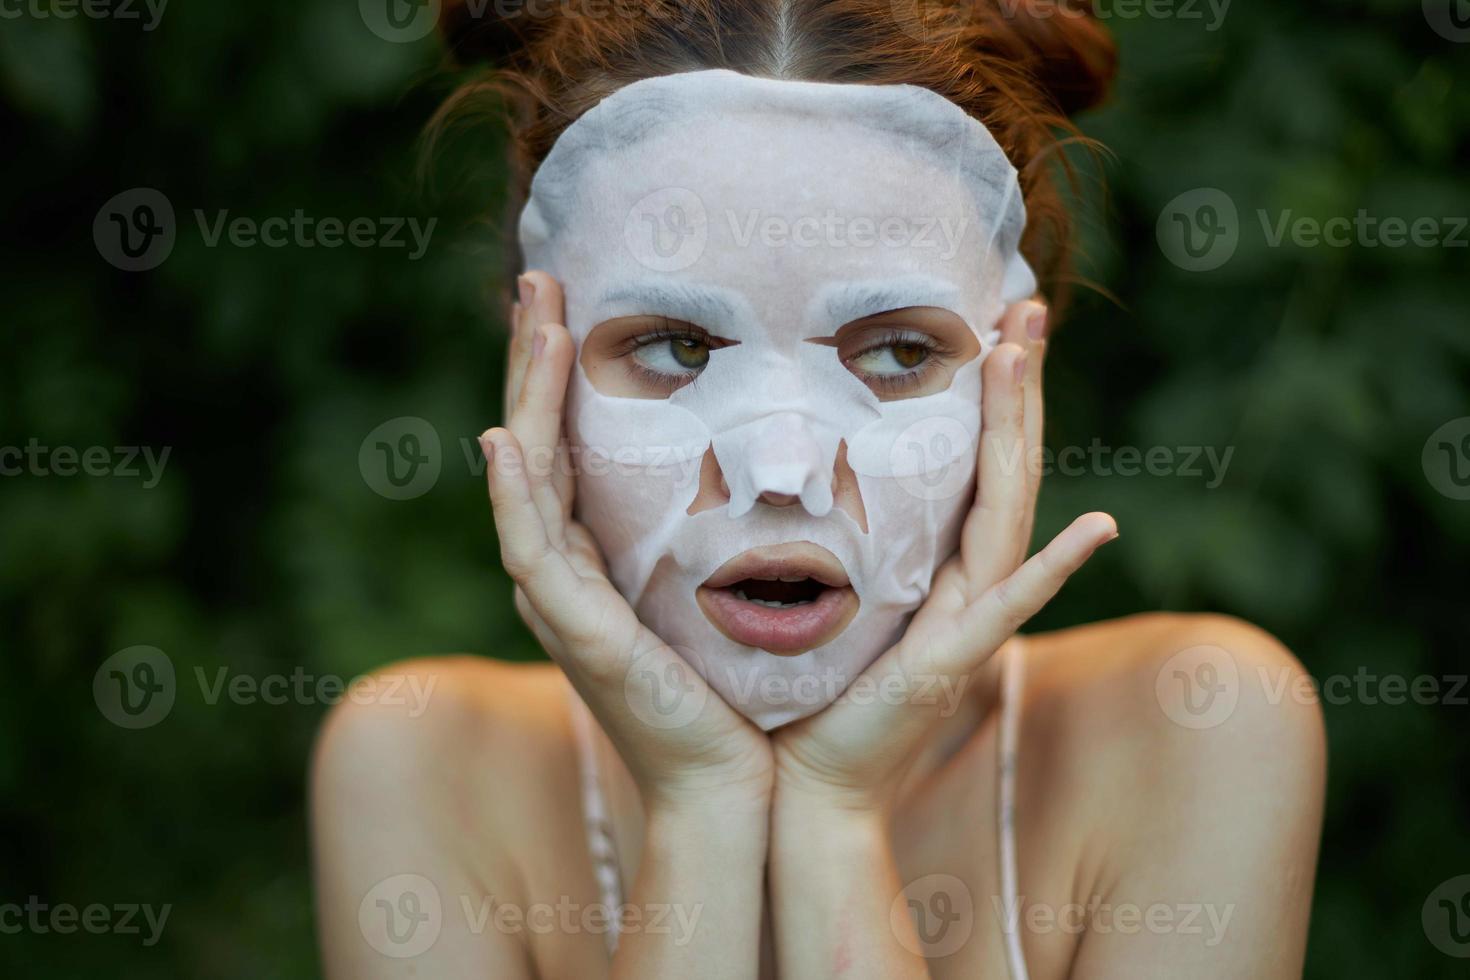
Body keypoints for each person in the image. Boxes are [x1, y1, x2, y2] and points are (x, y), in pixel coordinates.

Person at [312, 2, 1326, 977]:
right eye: (675, 346)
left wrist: (836, 817)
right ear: (542, 367)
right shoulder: (422, 765)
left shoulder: (1194, 728)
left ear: (1020, 364)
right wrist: (702, 806)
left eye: (895, 351)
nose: (785, 472)